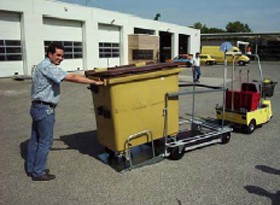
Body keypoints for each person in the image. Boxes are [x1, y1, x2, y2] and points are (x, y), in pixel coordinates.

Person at [26, 42, 104, 181]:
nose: (61, 58)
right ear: (49, 54)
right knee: (45, 142)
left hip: (37, 107)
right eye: (58, 55)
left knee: (35, 140)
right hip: (45, 109)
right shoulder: (48, 67)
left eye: (62, 56)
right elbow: (72, 77)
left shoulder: (40, 65)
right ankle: (38, 172)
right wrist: (94, 82)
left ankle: (32, 168)